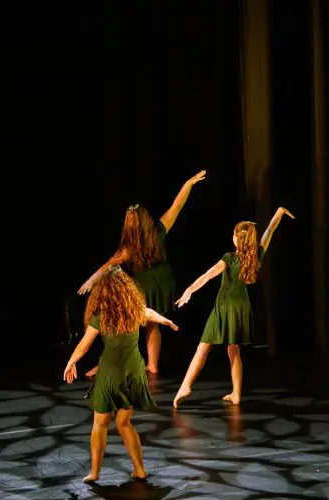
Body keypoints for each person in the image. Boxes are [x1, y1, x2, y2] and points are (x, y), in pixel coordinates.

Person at [78, 170, 205, 375]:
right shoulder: (158, 231)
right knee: (151, 324)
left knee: (133, 324)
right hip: (163, 283)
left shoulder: (132, 246)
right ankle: (151, 364)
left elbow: (108, 265)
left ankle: (114, 363)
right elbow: (177, 205)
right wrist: (188, 184)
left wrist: (91, 281)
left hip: (147, 286)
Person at [64, 266, 178, 483]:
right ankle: (140, 470)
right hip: (133, 372)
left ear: (104, 291)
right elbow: (150, 313)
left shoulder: (102, 316)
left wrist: (71, 362)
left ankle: (95, 473)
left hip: (111, 374)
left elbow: (84, 346)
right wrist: (165, 321)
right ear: (127, 289)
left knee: (100, 424)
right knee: (124, 423)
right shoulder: (134, 310)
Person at [172, 208, 294, 407]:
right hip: (241, 307)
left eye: (235, 235)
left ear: (238, 239)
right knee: (234, 351)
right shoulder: (256, 256)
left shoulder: (230, 258)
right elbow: (269, 232)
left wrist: (189, 290)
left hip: (224, 306)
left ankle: (186, 385)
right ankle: (236, 393)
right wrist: (278, 214)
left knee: (203, 347)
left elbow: (208, 275)